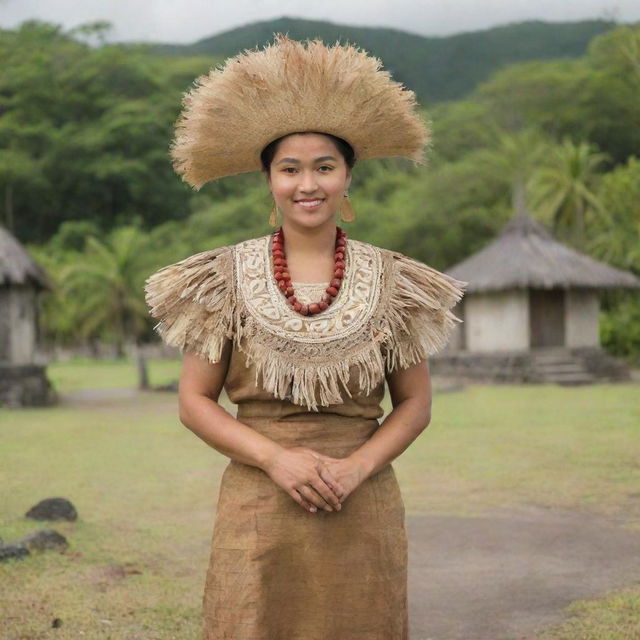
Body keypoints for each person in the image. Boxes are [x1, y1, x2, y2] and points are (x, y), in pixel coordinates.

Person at [145, 33, 467, 640]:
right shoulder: (220, 279)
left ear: (348, 176)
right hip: (258, 501)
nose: (307, 184)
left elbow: (416, 404)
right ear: (268, 179)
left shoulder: (396, 281)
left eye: (325, 167)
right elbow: (193, 401)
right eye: (289, 169)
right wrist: (275, 459)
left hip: (362, 500)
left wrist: (357, 467)